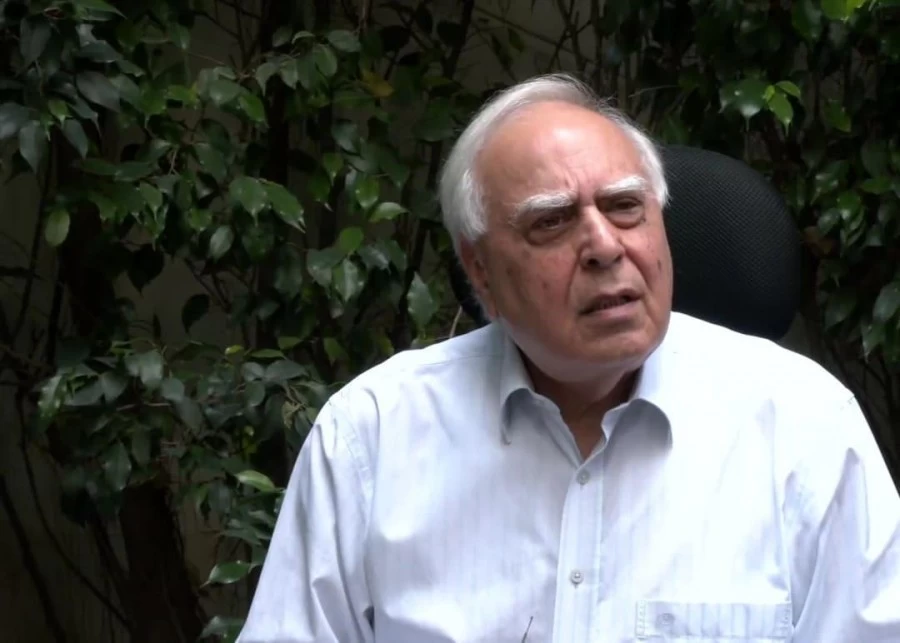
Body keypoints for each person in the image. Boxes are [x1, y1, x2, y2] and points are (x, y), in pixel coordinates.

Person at [237, 74, 900, 642]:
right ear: (480, 270)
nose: (605, 246)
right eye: (552, 221)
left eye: (625, 207)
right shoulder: (373, 436)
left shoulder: (803, 426)